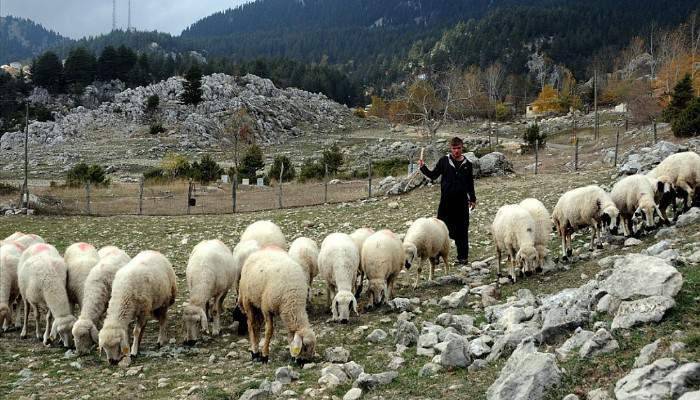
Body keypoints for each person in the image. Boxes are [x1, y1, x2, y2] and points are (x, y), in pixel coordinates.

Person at [418, 137, 477, 264]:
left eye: (458, 148)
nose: (456, 151)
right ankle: (437, 256)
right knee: (441, 230)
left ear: (462, 148)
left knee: (462, 230)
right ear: (451, 148)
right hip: (446, 202)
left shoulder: (468, 164)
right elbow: (433, 175)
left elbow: (469, 183)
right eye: (454, 148)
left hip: (461, 203)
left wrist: (472, 198)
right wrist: (423, 168)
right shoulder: (444, 161)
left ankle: (463, 258)